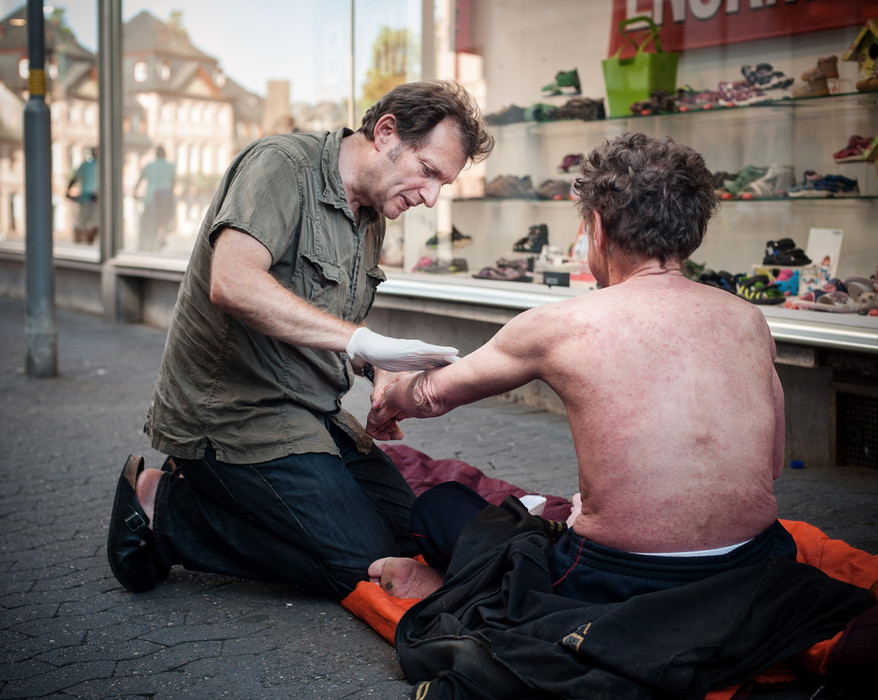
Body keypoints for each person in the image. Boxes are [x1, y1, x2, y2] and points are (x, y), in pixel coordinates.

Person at [366, 131, 797, 601]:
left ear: (598, 227)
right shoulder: (749, 319)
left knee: (440, 508)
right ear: (692, 230)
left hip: (620, 578)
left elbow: (430, 396)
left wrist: (389, 395)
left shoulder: (562, 325)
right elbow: (771, 466)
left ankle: (458, 584)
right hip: (754, 563)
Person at [106, 80, 494, 597]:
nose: (430, 197)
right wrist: (362, 341)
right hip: (232, 417)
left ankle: (231, 499)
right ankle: (169, 511)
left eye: (442, 183)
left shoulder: (373, 214)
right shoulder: (282, 166)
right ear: (385, 133)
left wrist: (382, 375)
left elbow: (322, 320)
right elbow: (233, 281)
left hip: (313, 415)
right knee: (366, 566)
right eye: (428, 172)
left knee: (412, 538)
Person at [135, 146, 176, 252]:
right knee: (163, 220)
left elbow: (140, 180)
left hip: (151, 197)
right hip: (165, 196)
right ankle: (161, 236)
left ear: (156, 154)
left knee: (148, 221)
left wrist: (135, 191)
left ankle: (147, 244)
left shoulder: (150, 166)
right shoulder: (170, 166)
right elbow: (173, 183)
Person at [66, 147, 98, 244]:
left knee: (83, 221)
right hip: (94, 197)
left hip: (86, 197)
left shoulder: (85, 165)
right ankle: (87, 239)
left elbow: (74, 178)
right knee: (93, 221)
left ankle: (82, 239)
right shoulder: (101, 165)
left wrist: (67, 190)